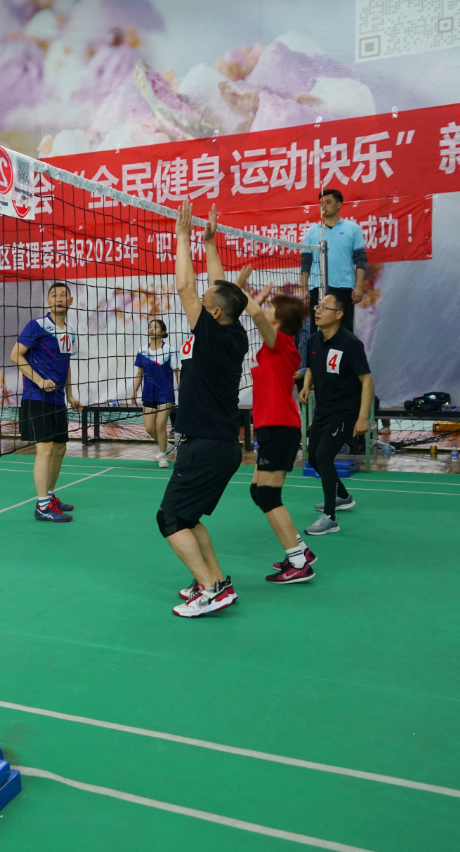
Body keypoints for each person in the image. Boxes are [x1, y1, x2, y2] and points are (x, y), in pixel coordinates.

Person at [160, 202, 249, 617]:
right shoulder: (234, 330)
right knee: (190, 517)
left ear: (213, 314)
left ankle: (212, 590)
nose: (201, 297)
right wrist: (210, 243)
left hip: (206, 445)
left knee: (170, 519)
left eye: (206, 301)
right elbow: (219, 288)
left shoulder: (212, 334)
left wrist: (183, 236)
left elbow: (185, 287)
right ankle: (213, 581)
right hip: (221, 444)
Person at [238, 280, 314, 583]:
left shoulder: (282, 342)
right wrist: (254, 300)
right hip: (274, 428)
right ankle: (302, 550)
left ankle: (298, 562)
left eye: (271, 307)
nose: (265, 309)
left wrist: (241, 292)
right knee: (258, 491)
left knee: (268, 496)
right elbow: (258, 317)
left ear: (280, 319)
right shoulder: (276, 345)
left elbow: (257, 316)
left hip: (279, 427)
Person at [300, 293, 373, 536]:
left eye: (324, 307)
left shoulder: (350, 343)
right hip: (322, 409)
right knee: (312, 458)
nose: (317, 310)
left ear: (339, 314)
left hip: (344, 411)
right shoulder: (314, 340)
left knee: (324, 456)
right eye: (317, 306)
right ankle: (343, 496)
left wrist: (362, 417)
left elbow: (367, 380)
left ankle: (330, 517)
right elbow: (312, 367)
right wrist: (306, 385)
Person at [10, 281, 82, 522]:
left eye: (63, 294)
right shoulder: (37, 326)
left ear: (70, 301)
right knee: (46, 449)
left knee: (60, 448)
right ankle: (42, 506)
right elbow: (15, 355)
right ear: (48, 301)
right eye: (54, 295)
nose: (59, 298)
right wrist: (39, 380)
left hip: (58, 399)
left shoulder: (70, 331)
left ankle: (49, 496)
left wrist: (70, 395)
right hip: (36, 397)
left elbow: (66, 364)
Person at [299, 188, 367, 332]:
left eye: (328, 202)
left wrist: (359, 286)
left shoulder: (353, 229)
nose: (323, 206)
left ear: (339, 204)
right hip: (317, 288)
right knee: (317, 331)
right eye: (321, 203)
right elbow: (306, 261)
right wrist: (304, 289)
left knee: (344, 332)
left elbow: (360, 259)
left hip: (344, 288)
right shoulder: (312, 231)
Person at [132, 318, 179, 468]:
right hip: (148, 394)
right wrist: (134, 391)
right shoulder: (142, 351)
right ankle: (168, 446)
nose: (152, 329)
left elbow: (177, 372)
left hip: (166, 394)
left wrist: (182, 390)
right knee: (149, 428)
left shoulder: (170, 350)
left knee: (160, 425)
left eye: (156, 327)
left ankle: (163, 455)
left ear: (163, 332)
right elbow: (139, 373)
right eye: (150, 327)